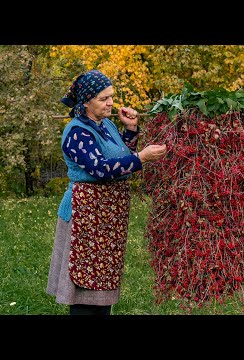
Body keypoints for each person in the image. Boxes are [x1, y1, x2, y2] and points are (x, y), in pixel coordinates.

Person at [46, 69, 167, 315]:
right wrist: (141, 157)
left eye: (111, 96)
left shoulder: (107, 125)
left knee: (101, 289)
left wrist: (131, 131)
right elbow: (101, 168)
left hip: (106, 219)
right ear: (86, 101)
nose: (111, 102)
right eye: (103, 98)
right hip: (84, 218)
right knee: (83, 289)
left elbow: (119, 157)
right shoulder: (77, 132)